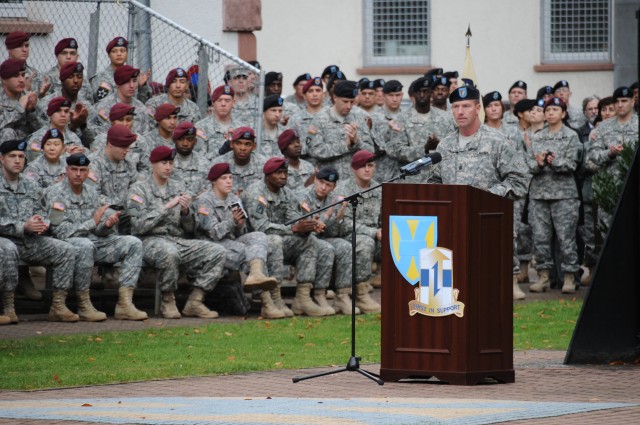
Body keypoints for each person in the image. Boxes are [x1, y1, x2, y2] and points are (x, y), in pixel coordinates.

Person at [430, 85, 530, 300]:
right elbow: (435, 181)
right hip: (451, 227)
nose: (460, 111)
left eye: (466, 106)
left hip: (488, 223)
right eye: (455, 106)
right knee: (455, 297)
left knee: (488, 294)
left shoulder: (498, 142)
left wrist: (487, 196)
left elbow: (519, 180)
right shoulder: (444, 146)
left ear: (478, 109)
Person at [44, 153, 148, 321]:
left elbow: (97, 230)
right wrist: (93, 222)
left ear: (87, 172)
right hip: (68, 245)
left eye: (83, 170)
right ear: (66, 170)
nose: (78, 174)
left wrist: (105, 225)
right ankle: (84, 304)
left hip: (93, 242)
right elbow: (60, 232)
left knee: (133, 243)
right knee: (85, 244)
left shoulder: (91, 193)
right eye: (74, 169)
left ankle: (125, 304)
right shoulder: (55, 193)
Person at [127, 146, 227, 319]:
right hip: (149, 240)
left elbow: (189, 228)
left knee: (217, 251)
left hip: (176, 239)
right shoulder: (138, 190)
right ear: (152, 164)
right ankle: (168, 299)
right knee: (169, 252)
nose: (168, 167)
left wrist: (186, 213)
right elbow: (138, 225)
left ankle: (195, 301)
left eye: (171, 163)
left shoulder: (178, 187)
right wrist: (166, 207)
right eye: (163, 163)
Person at [242, 157, 333, 317]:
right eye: (278, 173)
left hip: (280, 238)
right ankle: (275, 298)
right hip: (256, 243)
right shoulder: (255, 193)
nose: (283, 176)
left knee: (309, 240)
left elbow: (294, 218)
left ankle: (303, 299)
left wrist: (306, 227)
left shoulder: (287, 193)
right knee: (275, 240)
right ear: (268, 175)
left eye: (285, 172)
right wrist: (293, 228)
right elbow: (261, 227)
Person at [0, 139, 77, 323]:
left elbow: (43, 211)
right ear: (1, 159)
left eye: (21, 156)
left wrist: (41, 222)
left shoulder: (30, 184)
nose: (17, 160)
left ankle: (58, 305)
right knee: (8, 249)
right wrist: (22, 226)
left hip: (29, 241)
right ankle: (8, 307)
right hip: (4, 240)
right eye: (12, 156)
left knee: (65, 250)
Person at [194, 163, 281, 317]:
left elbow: (243, 230)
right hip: (211, 245)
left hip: (231, 241)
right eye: (224, 178)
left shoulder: (234, 198)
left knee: (259, 237)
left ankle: (256, 273)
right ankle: (267, 303)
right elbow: (212, 233)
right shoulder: (204, 201)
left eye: (230, 178)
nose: (229, 181)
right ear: (214, 181)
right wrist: (232, 222)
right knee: (246, 251)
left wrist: (240, 225)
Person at [527, 97, 582, 294]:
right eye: (548, 110)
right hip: (539, 195)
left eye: (555, 110)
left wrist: (553, 161)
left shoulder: (571, 136)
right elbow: (528, 166)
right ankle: (544, 277)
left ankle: (569, 277)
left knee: (566, 238)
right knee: (540, 238)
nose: (550, 113)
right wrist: (540, 164)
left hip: (564, 195)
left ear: (563, 114)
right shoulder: (537, 137)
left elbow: (572, 165)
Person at [296, 166, 358, 314]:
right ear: (315, 180)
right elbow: (311, 230)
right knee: (325, 247)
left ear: (334, 186)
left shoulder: (334, 198)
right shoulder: (302, 197)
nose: (323, 188)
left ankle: (342, 295)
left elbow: (334, 232)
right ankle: (319, 294)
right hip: (304, 239)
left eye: (328, 185)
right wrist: (329, 213)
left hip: (324, 238)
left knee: (345, 246)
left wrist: (340, 214)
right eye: (321, 182)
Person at [334, 150, 382, 313]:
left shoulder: (378, 189)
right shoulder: (343, 189)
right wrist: (373, 232)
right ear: (354, 169)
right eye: (363, 166)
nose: (367, 170)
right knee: (365, 242)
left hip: (374, 233)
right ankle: (361, 294)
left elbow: (384, 216)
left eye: (370, 165)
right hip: (348, 236)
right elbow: (343, 223)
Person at [587, 86, 639, 230]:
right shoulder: (603, 127)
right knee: (608, 233)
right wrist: (609, 154)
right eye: (617, 102)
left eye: (624, 100)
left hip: (634, 187)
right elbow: (593, 154)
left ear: (632, 101)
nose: (620, 105)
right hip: (609, 188)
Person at [386, 77, 455, 182]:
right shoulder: (401, 119)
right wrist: (424, 149)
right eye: (418, 92)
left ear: (431, 93)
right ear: (413, 94)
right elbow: (397, 151)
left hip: (439, 179)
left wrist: (439, 145)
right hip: (412, 181)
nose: (422, 95)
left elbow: (453, 148)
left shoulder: (445, 118)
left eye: (425, 91)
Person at [306, 80, 373, 178]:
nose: (349, 106)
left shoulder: (359, 117)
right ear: (335, 97)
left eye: (352, 102)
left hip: (353, 181)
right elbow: (314, 150)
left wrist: (356, 143)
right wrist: (345, 145)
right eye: (345, 102)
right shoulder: (319, 119)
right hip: (328, 181)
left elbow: (371, 151)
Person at [87, 124, 139, 234]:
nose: (126, 150)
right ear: (110, 144)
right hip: (101, 209)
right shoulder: (94, 163)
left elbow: (135, 189)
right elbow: (92, 195)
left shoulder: (129, 163)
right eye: (123, 147)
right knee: (110, 216)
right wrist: (117, 205)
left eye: (128, 147)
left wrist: (135, 207)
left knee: (138, 213)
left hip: (125, 209)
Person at [37, 62, 96, 148]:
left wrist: (83, 125)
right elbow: (46, 134)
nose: (76, 81)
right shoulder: (46, 103)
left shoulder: (86, 107)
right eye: (71, 77)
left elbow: (92, 140)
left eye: (79, 77)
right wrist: (72, 126)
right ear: (62, 79)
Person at [88, 103, 150, 173]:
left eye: (129, 120)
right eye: (121, 120)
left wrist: (136, 182)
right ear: (112, 122)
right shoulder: (101, 140)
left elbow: (146, 169)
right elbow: (93, 164)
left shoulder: (140, 141)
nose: (125, 124)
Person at [90, 36, 151, 103]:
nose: (119, 54)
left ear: (127, 54)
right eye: (114, 51)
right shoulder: (101, 77)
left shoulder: (134, 76)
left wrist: (142, 86)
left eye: (122, 51)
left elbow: (143, 103)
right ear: (109, 55)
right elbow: (102, 103)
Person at [93, 65, 150, 135]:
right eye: (127, 81)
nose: (132, 85)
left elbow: (145, 137)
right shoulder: (104, 107)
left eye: (134, 81)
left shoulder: (141, 108)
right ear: (117, 84)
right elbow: (101, 137)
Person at [26, 96, 84, 163]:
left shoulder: (74, 138)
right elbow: (35, 163)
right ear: (50, 114)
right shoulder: (38, 138)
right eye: (58, 111)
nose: (63, 115)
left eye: (66, 111)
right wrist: (67, 155)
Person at [42, 38, 93, 104]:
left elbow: (90, 103)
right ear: (57, 56)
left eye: (72, 53)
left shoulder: (84, 80)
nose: (68, 57)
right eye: (64, 53)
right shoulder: (47, 78)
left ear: (77, 57)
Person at [195, 85, 239, 158]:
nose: (223, 104)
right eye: (219, 100)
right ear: (213, 102)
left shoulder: (240, 127)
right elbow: (199, 158)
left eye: (227, 101)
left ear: (233, 103)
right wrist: (221, 151)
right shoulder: (201, 127)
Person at [0, 59, 40, 139]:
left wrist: (30, 111)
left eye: (23, 75)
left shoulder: (28, 96)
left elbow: (39, 129)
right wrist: (19, 108)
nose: (22, 80)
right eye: (16, 76)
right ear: (3, 79)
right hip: (5, 147)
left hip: (27, 144)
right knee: (8, 132)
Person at [3, 31, 49, 99]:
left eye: (27, 46)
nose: (25, 50)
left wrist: (41, 95)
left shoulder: (34, 73)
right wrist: (25, 91)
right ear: (9, 49)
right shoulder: (3, 73)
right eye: (19, 46)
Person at [288, 77, 324, 158]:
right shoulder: (296, 119)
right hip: (306, 166)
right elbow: (291, 148)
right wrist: (310, 138)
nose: (315, 94)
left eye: (318, 90)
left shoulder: (332, 115)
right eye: (310, 91)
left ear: (323, 94)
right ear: (304, 96)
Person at [170, 121, 209, 196]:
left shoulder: (205, 163)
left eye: (190, 139)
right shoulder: (165, 161)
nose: (185, 143)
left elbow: (208, 192)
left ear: (195, 141)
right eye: (181, 139)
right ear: (174, 140)